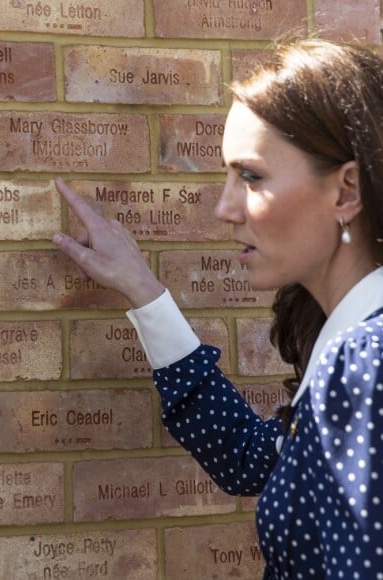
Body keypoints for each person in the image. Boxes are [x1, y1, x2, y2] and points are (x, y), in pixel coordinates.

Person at [52, 38, 383, 579]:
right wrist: (145, 292)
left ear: (346, 190)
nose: (225, 208)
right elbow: (254, 459)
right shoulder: (352, 350)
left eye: (251, 176)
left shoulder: (365, 363)